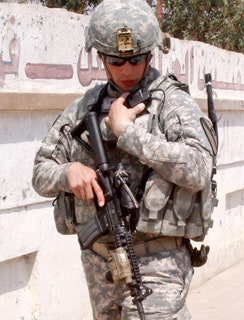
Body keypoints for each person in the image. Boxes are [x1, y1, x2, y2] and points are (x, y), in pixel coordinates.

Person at [32, 0, 215, 318]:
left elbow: (198, 169)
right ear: (100, 57)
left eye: (137, 59)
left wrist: (128, 134)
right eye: (116, 61)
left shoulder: (172, 104)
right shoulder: (85, 107)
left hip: (158, 261)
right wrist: (68, 172)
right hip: (101, 262)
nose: (127, 70)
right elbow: (40, 171)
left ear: (151, 54)